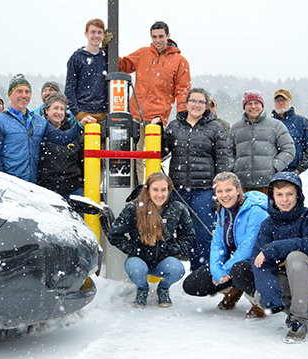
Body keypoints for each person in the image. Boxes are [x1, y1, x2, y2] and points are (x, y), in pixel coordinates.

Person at [251, 172, 308, 344]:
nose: (284, 200)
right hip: (285, 275)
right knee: (261, 295)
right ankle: (290, 312)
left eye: (290, 194)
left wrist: (275, 248)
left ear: (298, 195)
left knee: (295, 257)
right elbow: (259, 260)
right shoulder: (267, 224)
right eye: (279, 194)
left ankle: (300, 321)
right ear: (272, 196)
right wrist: (270, 295)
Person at [162, 87, 231, 271]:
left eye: (201, 102)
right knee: (180, 232)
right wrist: (157, 132)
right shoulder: (175, 126)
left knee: (202, 232)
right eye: (193, 101)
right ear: (185, 103)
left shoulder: (214, 127)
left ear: (206, 105)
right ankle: (182, 272)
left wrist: (220, 187)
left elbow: (223, 160)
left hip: (204, 189)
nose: (197, 105)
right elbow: (162, 152)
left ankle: (204, 271)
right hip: (178, 189)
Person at [183, 172, 268, 319]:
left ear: (238, 190)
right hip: (234, 263)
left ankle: (260, 301)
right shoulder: (223, 210)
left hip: (259, 264)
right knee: (192, 284)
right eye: (220, 191)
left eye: (229, 190)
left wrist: (225, 270)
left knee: (238, 269)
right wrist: (217, 271)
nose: (224, 195)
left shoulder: (256, 211)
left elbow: (248, 249)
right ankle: (235, 288)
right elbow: (217, 244)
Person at [0, 73, 96, 183]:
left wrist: (80, 125)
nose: (24, 95)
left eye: (27, 92)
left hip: (32, 185)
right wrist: (0, 182)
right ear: (10, 95)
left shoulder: (39, 121)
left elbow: (61, 138)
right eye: (19, 91)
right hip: (10, 186)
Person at [108, 172, 195, 308]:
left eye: (163, 190)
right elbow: (114, 235)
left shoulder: (177, 208)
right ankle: (142, 289)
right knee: (135, 268)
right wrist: (134, 249)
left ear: (169, 190)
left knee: (177, 269)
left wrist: (171, 248)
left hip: (163, 259)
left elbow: (188, 235)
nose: (159, 195)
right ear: (148, 190)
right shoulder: (133, 208)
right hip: (138, 259)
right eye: (155, 189)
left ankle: (163, 289)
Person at [120, 21, 191, 182]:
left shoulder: (179, 61)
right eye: (154, 37)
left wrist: (182, 114)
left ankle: (151, 193)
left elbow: (183, 89)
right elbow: (123, 65)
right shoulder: (143, 53)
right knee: (133, 158)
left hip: (156, 119)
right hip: (134, 115)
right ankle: (138, 195)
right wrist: (106, 49)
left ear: (168, 36)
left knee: (152, 159)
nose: (157, 40)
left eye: (160, 36)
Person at [228, 90, 295, 194]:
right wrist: (233, 168)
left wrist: (275, 167)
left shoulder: (276, 125)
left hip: (268, 185)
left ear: (262, 105)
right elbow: (228, 152)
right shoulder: (236, 128)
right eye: (249, 103)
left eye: (256, 103)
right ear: (244, 107)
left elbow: (289, 149)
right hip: (242, 186)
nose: (253, 106)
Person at [37, 91, 84, 201]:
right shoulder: (39, 131)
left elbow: (82, 160)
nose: (59, 112)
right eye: (55, 108)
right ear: (46, 110)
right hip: (46, 190)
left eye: (62, 109)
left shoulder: (74, 132)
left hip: (73, 189)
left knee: (80, 218)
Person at [65, 18, 108, 124]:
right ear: (86, 34)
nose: (96, 36)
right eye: (93, 32)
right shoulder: (77, 58)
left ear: (103, 36)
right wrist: (76, 113)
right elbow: (69, 88)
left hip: (104, 113)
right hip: (83, 112)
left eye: (99, 33)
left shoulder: (106, 58)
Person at [271, 89, 308, 173]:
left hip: (296, 173)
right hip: (273, 174)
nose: (281, 103)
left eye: (284, 100)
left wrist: (300, 169)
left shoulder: (301, 121)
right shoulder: (270, 123)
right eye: (278, 100)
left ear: (291, 103)